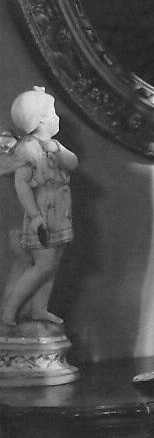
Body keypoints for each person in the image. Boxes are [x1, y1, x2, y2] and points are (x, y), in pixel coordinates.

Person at [0, 87, 78, 330]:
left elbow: (73, 163)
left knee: (52, 264)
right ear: (42, 121)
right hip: (44, 210)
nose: (57, 117)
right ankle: (10, 309)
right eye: (53, 113)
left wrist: (58, 150)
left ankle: (39, 308)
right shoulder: (28, 150)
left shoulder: (54, 145)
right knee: (43, 265)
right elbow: (22, 185)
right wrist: (35, 217)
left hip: (60, 209)